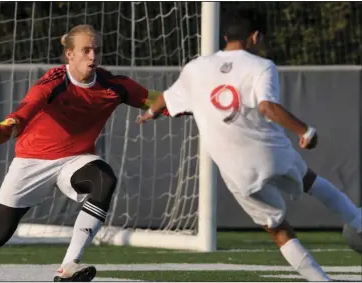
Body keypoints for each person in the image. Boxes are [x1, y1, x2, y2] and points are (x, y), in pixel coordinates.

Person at [137, 8, 362, 282]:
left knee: (277, 229)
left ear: (224, 36)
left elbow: (165, 99)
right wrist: (305, 130)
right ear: (255, 37)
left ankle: (321, 281)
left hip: (235, 169)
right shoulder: (261, 65)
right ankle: (358, 221)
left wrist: (150, 113)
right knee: (311, 182)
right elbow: (267, 107)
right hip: (269, 152)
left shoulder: (195, 68)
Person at [0, 24, 170, 282]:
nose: (92, 57)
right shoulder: (53, 82)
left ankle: (68, 266)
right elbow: (24, 112)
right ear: (69, 55)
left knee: (104, 179)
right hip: (32, 162)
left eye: (96, 50)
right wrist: (6, 129)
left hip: (75, 160)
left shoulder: (113, 85)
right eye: (85, 50)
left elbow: (162, 101)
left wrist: (200, 103)